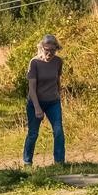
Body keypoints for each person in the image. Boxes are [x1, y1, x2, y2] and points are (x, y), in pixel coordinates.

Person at [23, 34, 65, 168]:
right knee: (33, 133)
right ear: (41, 48)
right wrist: (37, 108)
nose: (49, 53)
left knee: (58, 131)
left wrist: (59, 95)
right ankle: (27, 162)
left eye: (53, 50)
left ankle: (59, 162)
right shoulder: (34, 63)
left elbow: (57, 80)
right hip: (36, 102)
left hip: (53, 101)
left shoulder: (58, 61)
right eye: (47, 50)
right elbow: (31, 88)